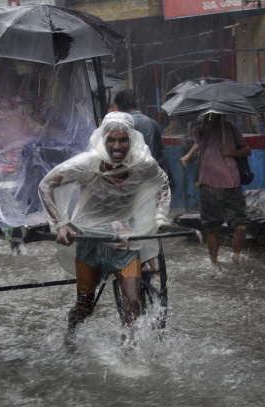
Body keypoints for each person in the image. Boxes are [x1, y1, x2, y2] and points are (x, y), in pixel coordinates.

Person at [38, 112, 171, 345]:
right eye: (111, 140)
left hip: (123, 237)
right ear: (103, 140)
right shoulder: (89, 162)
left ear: (132, 139)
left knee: (133, 302)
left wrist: (158, 218)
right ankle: (70, 336)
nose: (117, 146)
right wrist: (61, 223)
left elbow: (162, 183)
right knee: (85, 306)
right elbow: (46, 184)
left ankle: (127, 355)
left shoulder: (143, 164)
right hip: (89, 238)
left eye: (123, 140)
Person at [181, 113, 251, 264]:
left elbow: (246, 149)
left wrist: (232, 152)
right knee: (213, 229)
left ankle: (236, 258)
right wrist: (210, 120)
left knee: (241, 226)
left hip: (233, 183)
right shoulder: (201, 129)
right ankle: (214, 263)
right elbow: (201, 133)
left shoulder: (230, 129)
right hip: (210, 185)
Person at [113, 89, 174, 188]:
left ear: (120, 107)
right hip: (153, 179)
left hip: (133, 181)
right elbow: (160, 152)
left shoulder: (122, 126)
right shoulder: (152, 123)